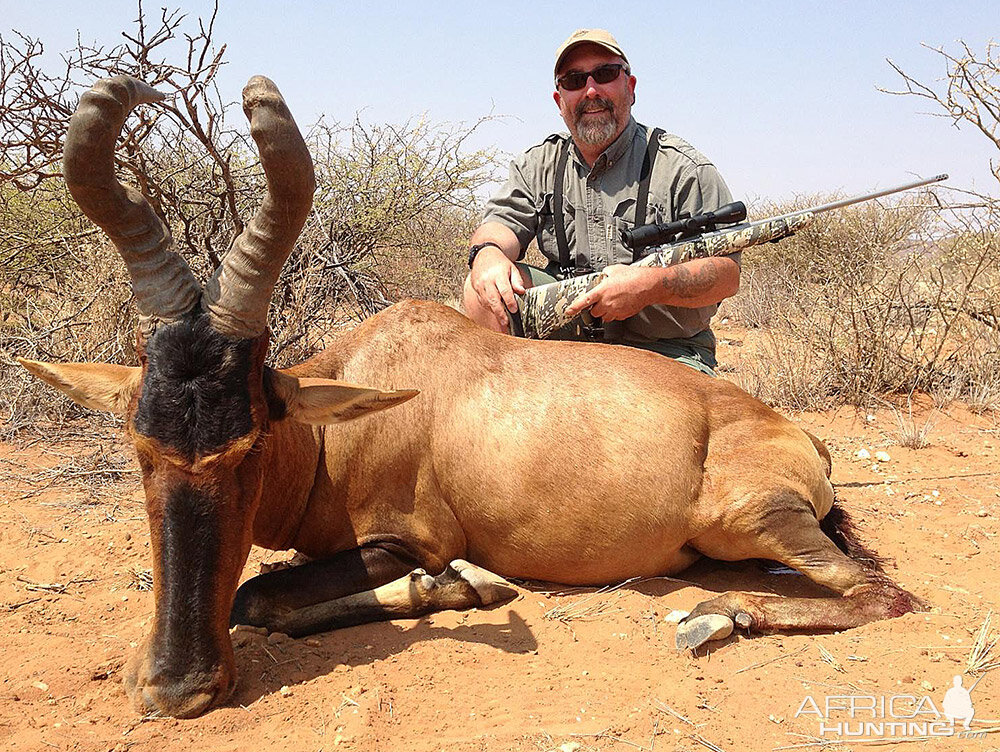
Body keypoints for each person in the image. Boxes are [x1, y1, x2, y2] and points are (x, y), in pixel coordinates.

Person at [463, 29, 739, 376]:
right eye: (575, 80)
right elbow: (500, 224)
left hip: (664, 348)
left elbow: (726, 275)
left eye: (605, 74)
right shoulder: (538, 163)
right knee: (481, 289)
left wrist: (649, 286)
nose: (591, 90)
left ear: (631, 87)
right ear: (559, 100)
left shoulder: (684, 168)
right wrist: (486, 255)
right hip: (568, 338)